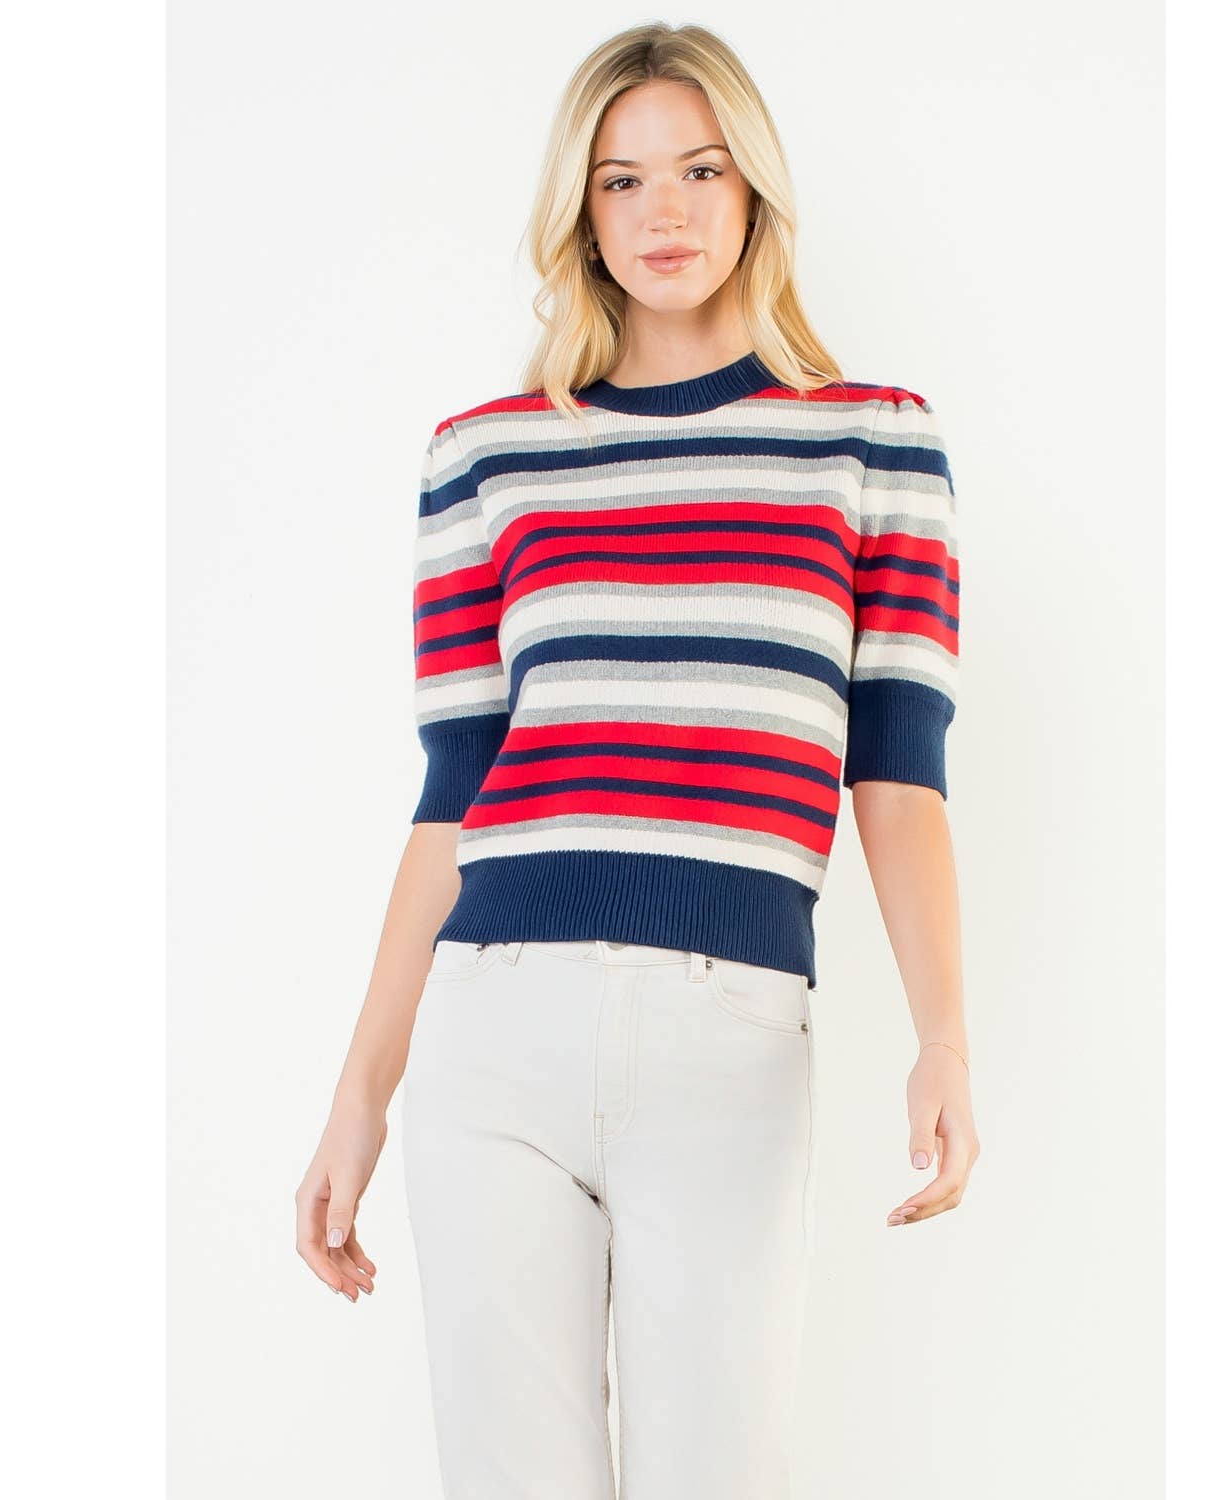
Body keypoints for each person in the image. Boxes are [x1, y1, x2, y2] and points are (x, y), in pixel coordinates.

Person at [295, 20, 980, 1499]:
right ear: (582, 212)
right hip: (497, 1025)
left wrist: (945, 1038)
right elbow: (450, 800)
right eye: (621, 180)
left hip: (728, 1037)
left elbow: (899, 773)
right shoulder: (485, 457)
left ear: (755, 190)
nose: (663, 211)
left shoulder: (871, 445)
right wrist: (360, 1097)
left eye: (699, 170)